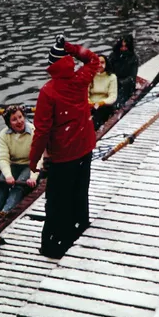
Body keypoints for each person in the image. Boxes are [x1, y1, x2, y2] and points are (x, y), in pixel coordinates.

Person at [29, 35, 100, 259]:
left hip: (63, 155)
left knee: (57, 201)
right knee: (80, 192)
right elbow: (94, 59)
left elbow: (41, 131)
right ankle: (79, 228)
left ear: (51, 66)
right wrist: (71, 47)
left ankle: (53, 247)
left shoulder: (48, 92)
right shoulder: (80, 78)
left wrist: (33, 161)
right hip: (85, 148)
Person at [0, 105, 42, 214]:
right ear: (9, 124)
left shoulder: (34, 131)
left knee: (19, 185)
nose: (19, 121)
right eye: (14, 120)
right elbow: (3, 158)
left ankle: (5, 212)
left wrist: (33, 177)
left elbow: (38, 157)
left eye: (20, 117)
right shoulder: (3, 135)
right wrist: (8, 176)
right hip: (14, 164)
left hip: (30, 164)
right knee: (2, 184)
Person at [89, 54, 118, 130]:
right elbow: (85, 93)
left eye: (102, 62)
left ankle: (94, 130)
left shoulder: (112, 77)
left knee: (97, 117)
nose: (99, 65)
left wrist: (102, 102)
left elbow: (113, 96)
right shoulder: (90, 76)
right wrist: (88, 101)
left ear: (106, 64)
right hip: (90, 104)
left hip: (104, 105)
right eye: (97, 62)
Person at [109, 34, 138, 106]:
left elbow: (132, 77)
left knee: (117, 101)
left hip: (126, 85)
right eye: (122, 46)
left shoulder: (133, 58)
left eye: (126, 46)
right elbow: (109, 71)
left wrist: (121, 83)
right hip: (113, 82)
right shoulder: (113, 56)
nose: (123, 49)